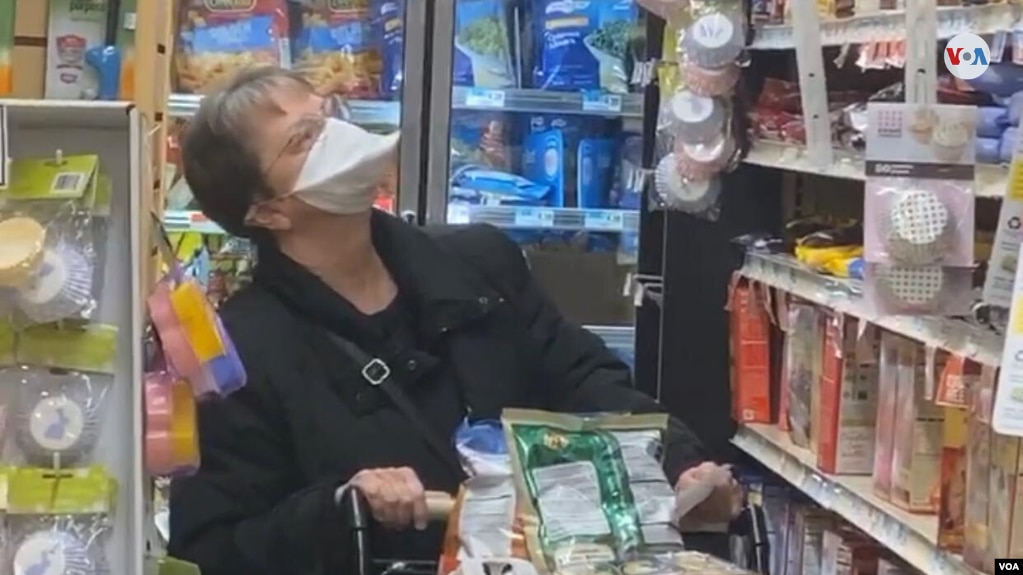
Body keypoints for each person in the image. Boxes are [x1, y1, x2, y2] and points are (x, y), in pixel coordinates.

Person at [167, 66, 740, 575]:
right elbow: (217, 547)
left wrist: (677, 461)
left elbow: (582, 377)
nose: (335, 135)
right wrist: (340, 508)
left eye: (329, 113)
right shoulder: (240, 349)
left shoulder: (478, 263)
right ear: (266, 210)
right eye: (303, 138)